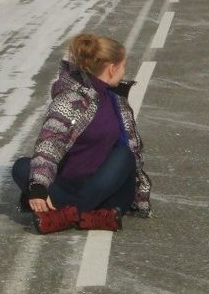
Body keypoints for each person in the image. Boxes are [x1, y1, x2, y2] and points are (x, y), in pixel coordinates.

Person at [11, 32, 151, 233]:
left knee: (125, 155)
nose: (124, 72)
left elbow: (134, 153)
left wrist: (141, 197)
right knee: (22, 167)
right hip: (65, 185)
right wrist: (39, 188)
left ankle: (64, 215)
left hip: (104, 187)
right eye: (123, 66)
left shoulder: (117, 100)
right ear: (111, 69)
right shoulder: (70, 100)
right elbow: (50, 142)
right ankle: (91, 216)